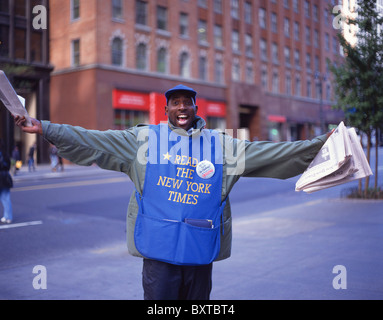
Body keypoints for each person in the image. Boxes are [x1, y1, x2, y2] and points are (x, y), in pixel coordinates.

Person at [14, 84, 332, 300]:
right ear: (165, 109)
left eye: (187, 102)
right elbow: (94, 139)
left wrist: (321, 145)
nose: (182, 107)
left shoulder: (221, 145)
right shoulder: (144, 141)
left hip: (199, 254)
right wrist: (44, 127)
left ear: (195, 108)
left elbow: (273, 154)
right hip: (159, 256)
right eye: (175, 103)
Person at [0, 140, 13, 224]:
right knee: (6, 197)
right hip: (6, 177)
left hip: (1, 177)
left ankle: (7, 216)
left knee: (4, 198)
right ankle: (8, 216)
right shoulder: (5, 154)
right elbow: (8, 166)